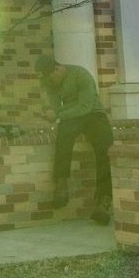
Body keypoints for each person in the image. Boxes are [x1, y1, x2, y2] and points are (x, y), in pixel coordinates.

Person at [38, 54, 112, 225]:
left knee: (105, 148)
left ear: (58, 69)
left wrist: (58, 114)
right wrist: (60, 113)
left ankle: (104, 201)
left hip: (95, 114)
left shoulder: (81, 74)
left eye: (51, 77)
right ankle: (61, 184)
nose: (50, 83)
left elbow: (85, 106)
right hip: (74, 117)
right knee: (64, 135)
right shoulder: (50, 83)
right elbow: (58, 107)